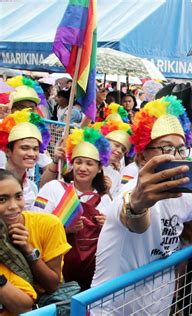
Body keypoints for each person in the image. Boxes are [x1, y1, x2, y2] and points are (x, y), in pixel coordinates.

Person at [91, 95, 192, 314]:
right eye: (166, 149)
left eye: (181, 149)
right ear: (142, 159)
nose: (177, 156)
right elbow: (134, 216)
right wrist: (138, 205)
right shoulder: (130, 191)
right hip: (112, 310)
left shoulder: (184, 198)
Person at [33, 127, 112, 290]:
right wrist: (63, 228)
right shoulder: (54, 188)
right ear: (71, 164)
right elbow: (36, 227)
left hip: (92, 279)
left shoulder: (105, 200)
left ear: (99, 169)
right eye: (78, 162)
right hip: (57, 274)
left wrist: (109, 227)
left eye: (89, 163)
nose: (83, 168)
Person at [0, 169, 71, 302]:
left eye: (18, 196)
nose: (13, 206)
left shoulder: (49, 224)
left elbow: (52, 286)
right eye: (2, 199)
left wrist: (29, 250)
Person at [0, 109, 51, 210]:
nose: (31, 154)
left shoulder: (31, 187)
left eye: (35, 149)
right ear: (8, 151)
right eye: (24, 148)